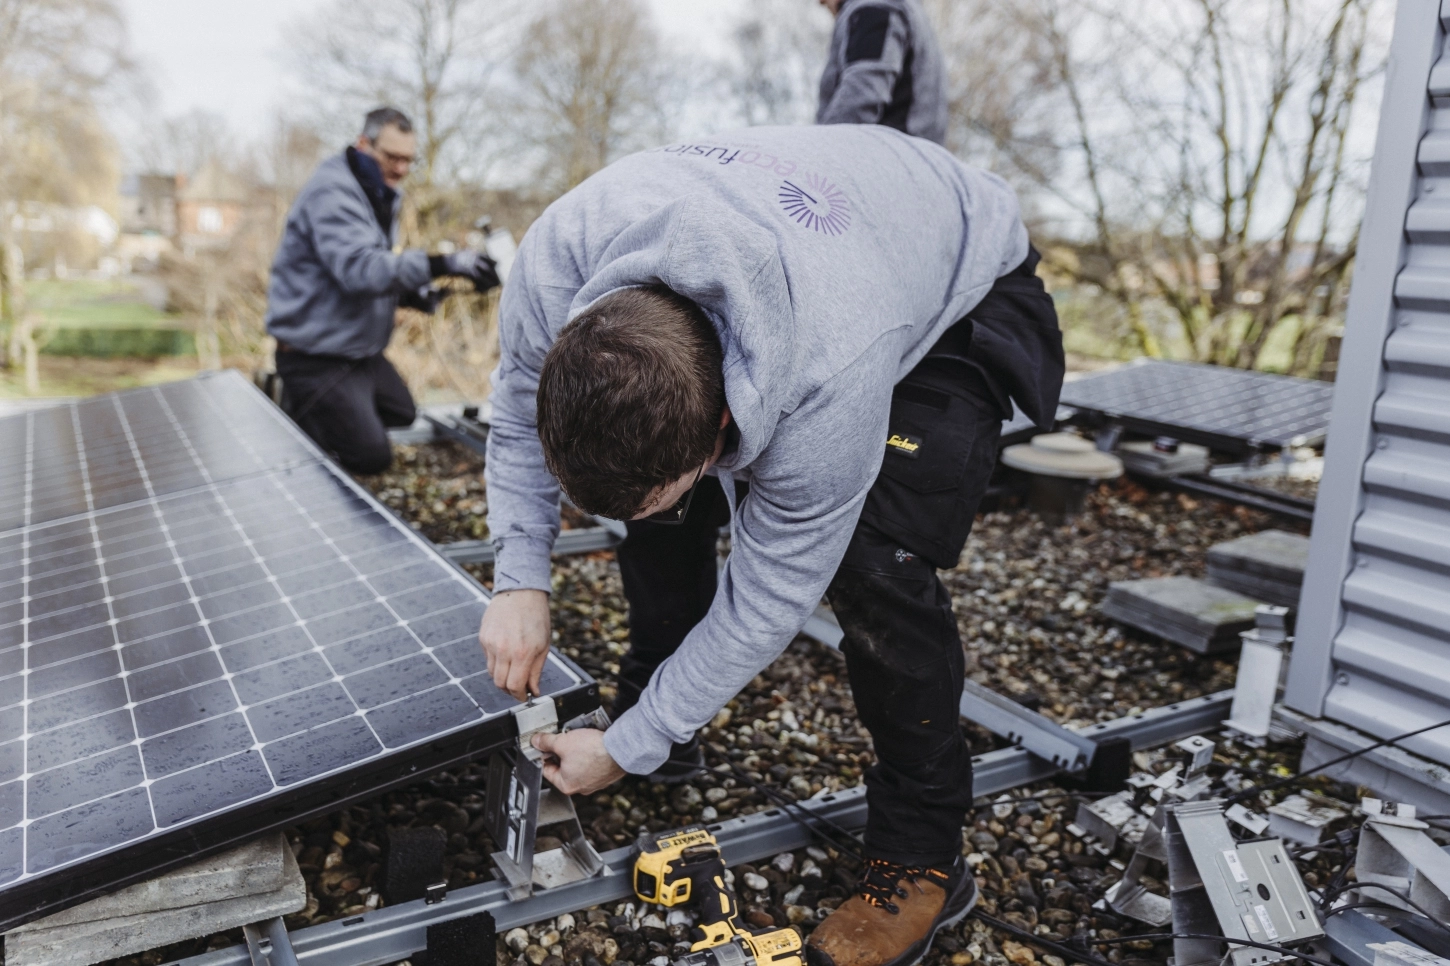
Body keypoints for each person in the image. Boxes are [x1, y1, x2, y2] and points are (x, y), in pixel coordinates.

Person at [478, 125, 1062, 966]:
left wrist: (628, 743)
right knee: (661, 512)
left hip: (959, 276)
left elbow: (769, 598)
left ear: (721, 430)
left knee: (874, 559)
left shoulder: (831, 381)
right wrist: (519, 578)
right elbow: (513, 416)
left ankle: (924, 852)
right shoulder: (555, 263)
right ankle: (655, 712)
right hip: (834, 241)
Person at [265, 106, 499, 474]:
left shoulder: (376, 190)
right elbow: (360, 270)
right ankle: (305, 445)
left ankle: (330, 420)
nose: (402, 169)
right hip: (314, 356)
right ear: (363, 144)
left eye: (409, 160)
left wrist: (411, 295)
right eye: (392, 157)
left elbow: (364, 271)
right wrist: (445, 264)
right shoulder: (333, 193)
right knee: (371, 457)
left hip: (357, 350)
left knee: (402, 412)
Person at [815, 0, 948, 145]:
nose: (820, 2)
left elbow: (861, 95)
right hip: (906, 156)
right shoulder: (901, 9)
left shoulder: (874, 7)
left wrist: (821, 151)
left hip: (883, 158)